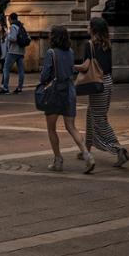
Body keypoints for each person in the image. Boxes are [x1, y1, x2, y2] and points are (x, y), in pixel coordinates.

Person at [77, 15, 129, 168]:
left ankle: (118, 149)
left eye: (89, 26)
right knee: (91, 114)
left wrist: (72, 67)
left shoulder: (90, 45)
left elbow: (86, 66)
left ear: (93, 29)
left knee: (99, 120)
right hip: (107, 82)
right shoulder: (107, 44)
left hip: (97, 84)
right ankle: (86, 150)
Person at [39, 25, 93, 172]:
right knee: (71, 126)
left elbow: (44, 76)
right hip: (69, 90)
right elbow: (71, 69)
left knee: (51, 128)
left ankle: (58, 160)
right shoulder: (70, 51)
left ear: (54, 37)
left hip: (55, 92)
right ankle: (87, 154)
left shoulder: (51, 53)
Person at [0, 11, 27, 94]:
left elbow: (13, 38)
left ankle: (5, 87)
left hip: (13, 51)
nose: (8, 21)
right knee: (21, 70)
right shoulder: (21, 26)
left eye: (9, 19)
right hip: (21, 51)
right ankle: (19, 88)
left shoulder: (13, 26)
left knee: (6, 68)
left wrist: (8, 34)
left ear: (11, 19)